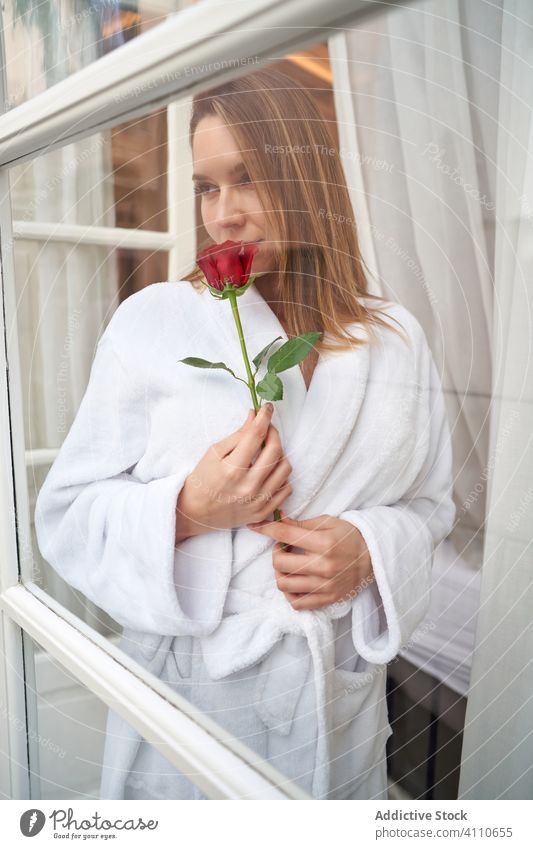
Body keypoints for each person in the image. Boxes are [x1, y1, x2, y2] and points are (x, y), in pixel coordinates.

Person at [34, 68, 455, 800]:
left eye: (248, 178)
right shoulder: (153, 324)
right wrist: (191, 507)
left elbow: (432, 509)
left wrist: (367, 549)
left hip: (332, 715)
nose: (222, 213)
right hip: (193, 717)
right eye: (205, 186)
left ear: (307, 177)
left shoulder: (398, 339)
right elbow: (66, 518)